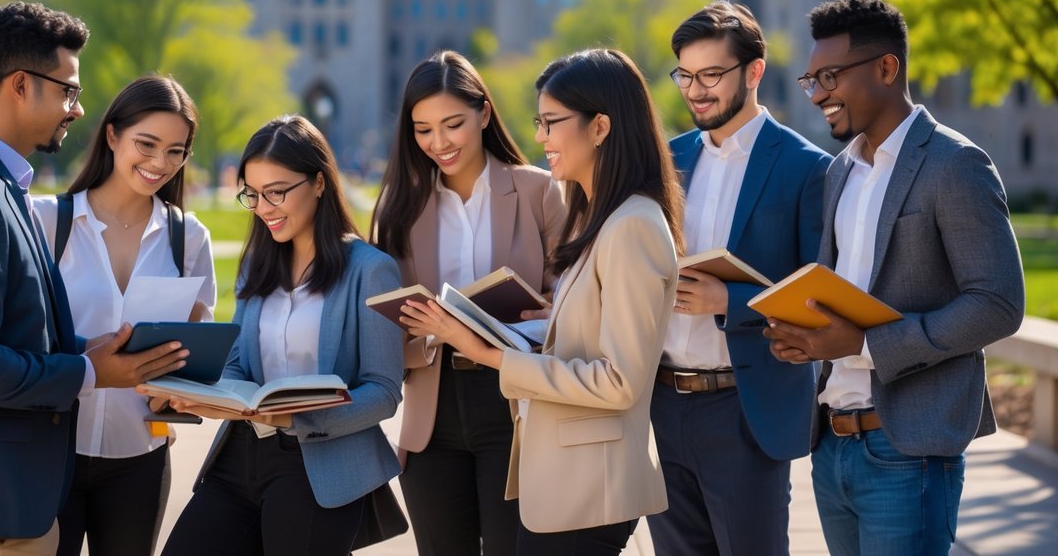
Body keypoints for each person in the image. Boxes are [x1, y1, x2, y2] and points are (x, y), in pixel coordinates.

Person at [0, 1, 188, 554]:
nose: (76, 110)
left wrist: (90, 349)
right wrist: (86, 370)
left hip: (4, 499)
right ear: (21, 86)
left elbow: (12, 331)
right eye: (68, 91)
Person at [765, 0, 1025, 556]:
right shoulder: (840, 170)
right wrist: (809, 338)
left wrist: (867, 344)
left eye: (829, 77)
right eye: (811, 81)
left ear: (888, 68)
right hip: (832, 446)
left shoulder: (955, 164)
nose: (818, 95)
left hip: (906, 449)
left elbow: (999, 303)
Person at [402, 48, 683, 555]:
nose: (540, 138)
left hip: (587, 479)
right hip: (561, 468)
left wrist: (490, 353)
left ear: (600, 127)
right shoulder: (604, 219)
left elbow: (619, 381)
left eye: (552, 123)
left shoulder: (633, 224)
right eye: (540, 121)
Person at [159, 115, 404, 556]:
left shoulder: (370, 270)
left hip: (319, 466)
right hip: (240, 456)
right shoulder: (257, 263)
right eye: (252, 194)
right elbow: (239, 364)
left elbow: (385, 392)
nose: (264, 207)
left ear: (319, 183)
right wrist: (210, 396)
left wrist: (297, 418)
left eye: (277, 192)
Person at [646, 1, 831, 555]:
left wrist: (731, 299)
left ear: (753, 72)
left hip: (747, 411)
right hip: (661, 405)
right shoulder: (665, 161)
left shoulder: (808, 167)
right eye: (685, 75)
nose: (695, 90)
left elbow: (822, 297)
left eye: (711, 75)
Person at [370, 50, 565, 556]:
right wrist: (430, 331)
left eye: (452, 124)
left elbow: (569, 302)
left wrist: (541, 315)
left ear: (483, 112)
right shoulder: (398, 206)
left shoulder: (540, 191)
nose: (439, 143)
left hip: (514, 402)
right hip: (432, 414)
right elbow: (385, 327)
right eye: (422, 129)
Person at [33, 76, 217, 556]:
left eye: (176, 151)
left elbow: (193, 354)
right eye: (147, 144)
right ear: (112, 135)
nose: (160, 163)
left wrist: (180, 395)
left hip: (141, 457)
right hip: (51, 454)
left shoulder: (189, 238)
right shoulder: (47, 222)